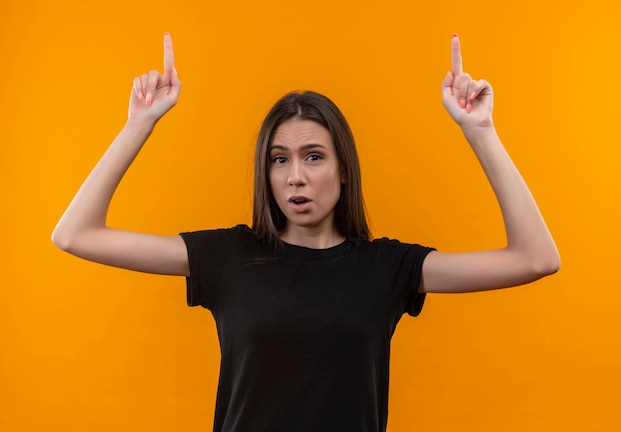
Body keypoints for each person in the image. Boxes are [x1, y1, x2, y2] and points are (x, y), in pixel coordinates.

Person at [52, 32, 560, 432]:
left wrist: (481, 131)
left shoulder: (387, 269)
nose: (294, 175)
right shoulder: (228, 257)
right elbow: (76, 234)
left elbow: (536, 258)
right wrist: (139, 123)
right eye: (279, 160)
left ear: (343, 170)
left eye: (313, 156)